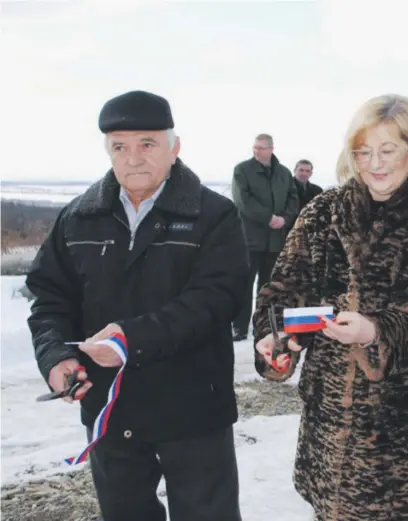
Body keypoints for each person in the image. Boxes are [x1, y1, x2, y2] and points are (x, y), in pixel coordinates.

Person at [26, 90, 248, 521]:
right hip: (110, 407)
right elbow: (49, 298)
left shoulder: (214, 215)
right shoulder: (78, 217)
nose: (133, 158)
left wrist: (133, 338)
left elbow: (217, 299)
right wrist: (55, 358)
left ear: (174, 146)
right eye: (120, 147)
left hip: (193, 406)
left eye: (147, 144)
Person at [253, 94, 408, 521]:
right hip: (333, 416)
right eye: (363, 151)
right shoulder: (322, 212)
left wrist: (377, 332)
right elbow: (283, 289)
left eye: (387, 150)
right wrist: (274, 337)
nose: (375, 163)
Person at [231, 133, 299, 341]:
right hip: (250, 239)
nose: (256, 151)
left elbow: (293, 199)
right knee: (244, 284)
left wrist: (284, 219)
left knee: (269, 287)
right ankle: (239, 328)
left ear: (271, 149)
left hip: (275, 241)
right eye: (255, 147)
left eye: (261, 148)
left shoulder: (284, 173)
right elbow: (242, 199)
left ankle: (264, 327)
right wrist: (268, 217)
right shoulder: (243, 170)